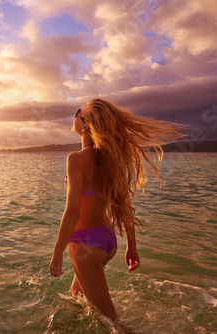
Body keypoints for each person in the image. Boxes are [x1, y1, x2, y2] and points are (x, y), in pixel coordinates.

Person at [49, 98, 188, 321]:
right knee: (76, 297)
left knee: (110, 321)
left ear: (85, 125)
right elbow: (124, 205)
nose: (73, 116)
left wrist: (57, 254)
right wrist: (131, 246)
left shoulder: (75, 159)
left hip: (85, 244)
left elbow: (73, 211)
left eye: (77, 112)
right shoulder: (110, 160)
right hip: (107, 241)